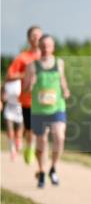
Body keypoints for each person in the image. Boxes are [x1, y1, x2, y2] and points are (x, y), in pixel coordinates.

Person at [23, 34, 70, 187]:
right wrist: (31, 83)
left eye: (48, 46)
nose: (45, 49)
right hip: (39, 109)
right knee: (41, 142)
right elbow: (24, 89)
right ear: (39, 47)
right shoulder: (32, 66)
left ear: (53, 47)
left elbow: (62, 79)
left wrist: (65, 89)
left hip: (57, 107)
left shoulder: (59, 63)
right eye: (42, 46)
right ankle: (42, 171)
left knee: (59, 137)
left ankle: (53, 169)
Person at [5, 25, 42, 164]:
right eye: (34, 36)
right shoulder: (22, 57)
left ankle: (36, 153)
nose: (37, 38)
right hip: (27, 100)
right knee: (30, 131)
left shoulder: (47, 57)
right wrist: (24, 74)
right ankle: (29, 146)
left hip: (45, 101)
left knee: (44, 131)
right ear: (29, 39)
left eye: (39, 35)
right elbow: (9, 76)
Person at [2, 78, 24, 161]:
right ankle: (12, 150)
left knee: (18, 134)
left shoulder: (21, 80)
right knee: (10, 131)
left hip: (19, 109)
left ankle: (18, 143)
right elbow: (2, 96)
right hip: (9, 109)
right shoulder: (7, 82)